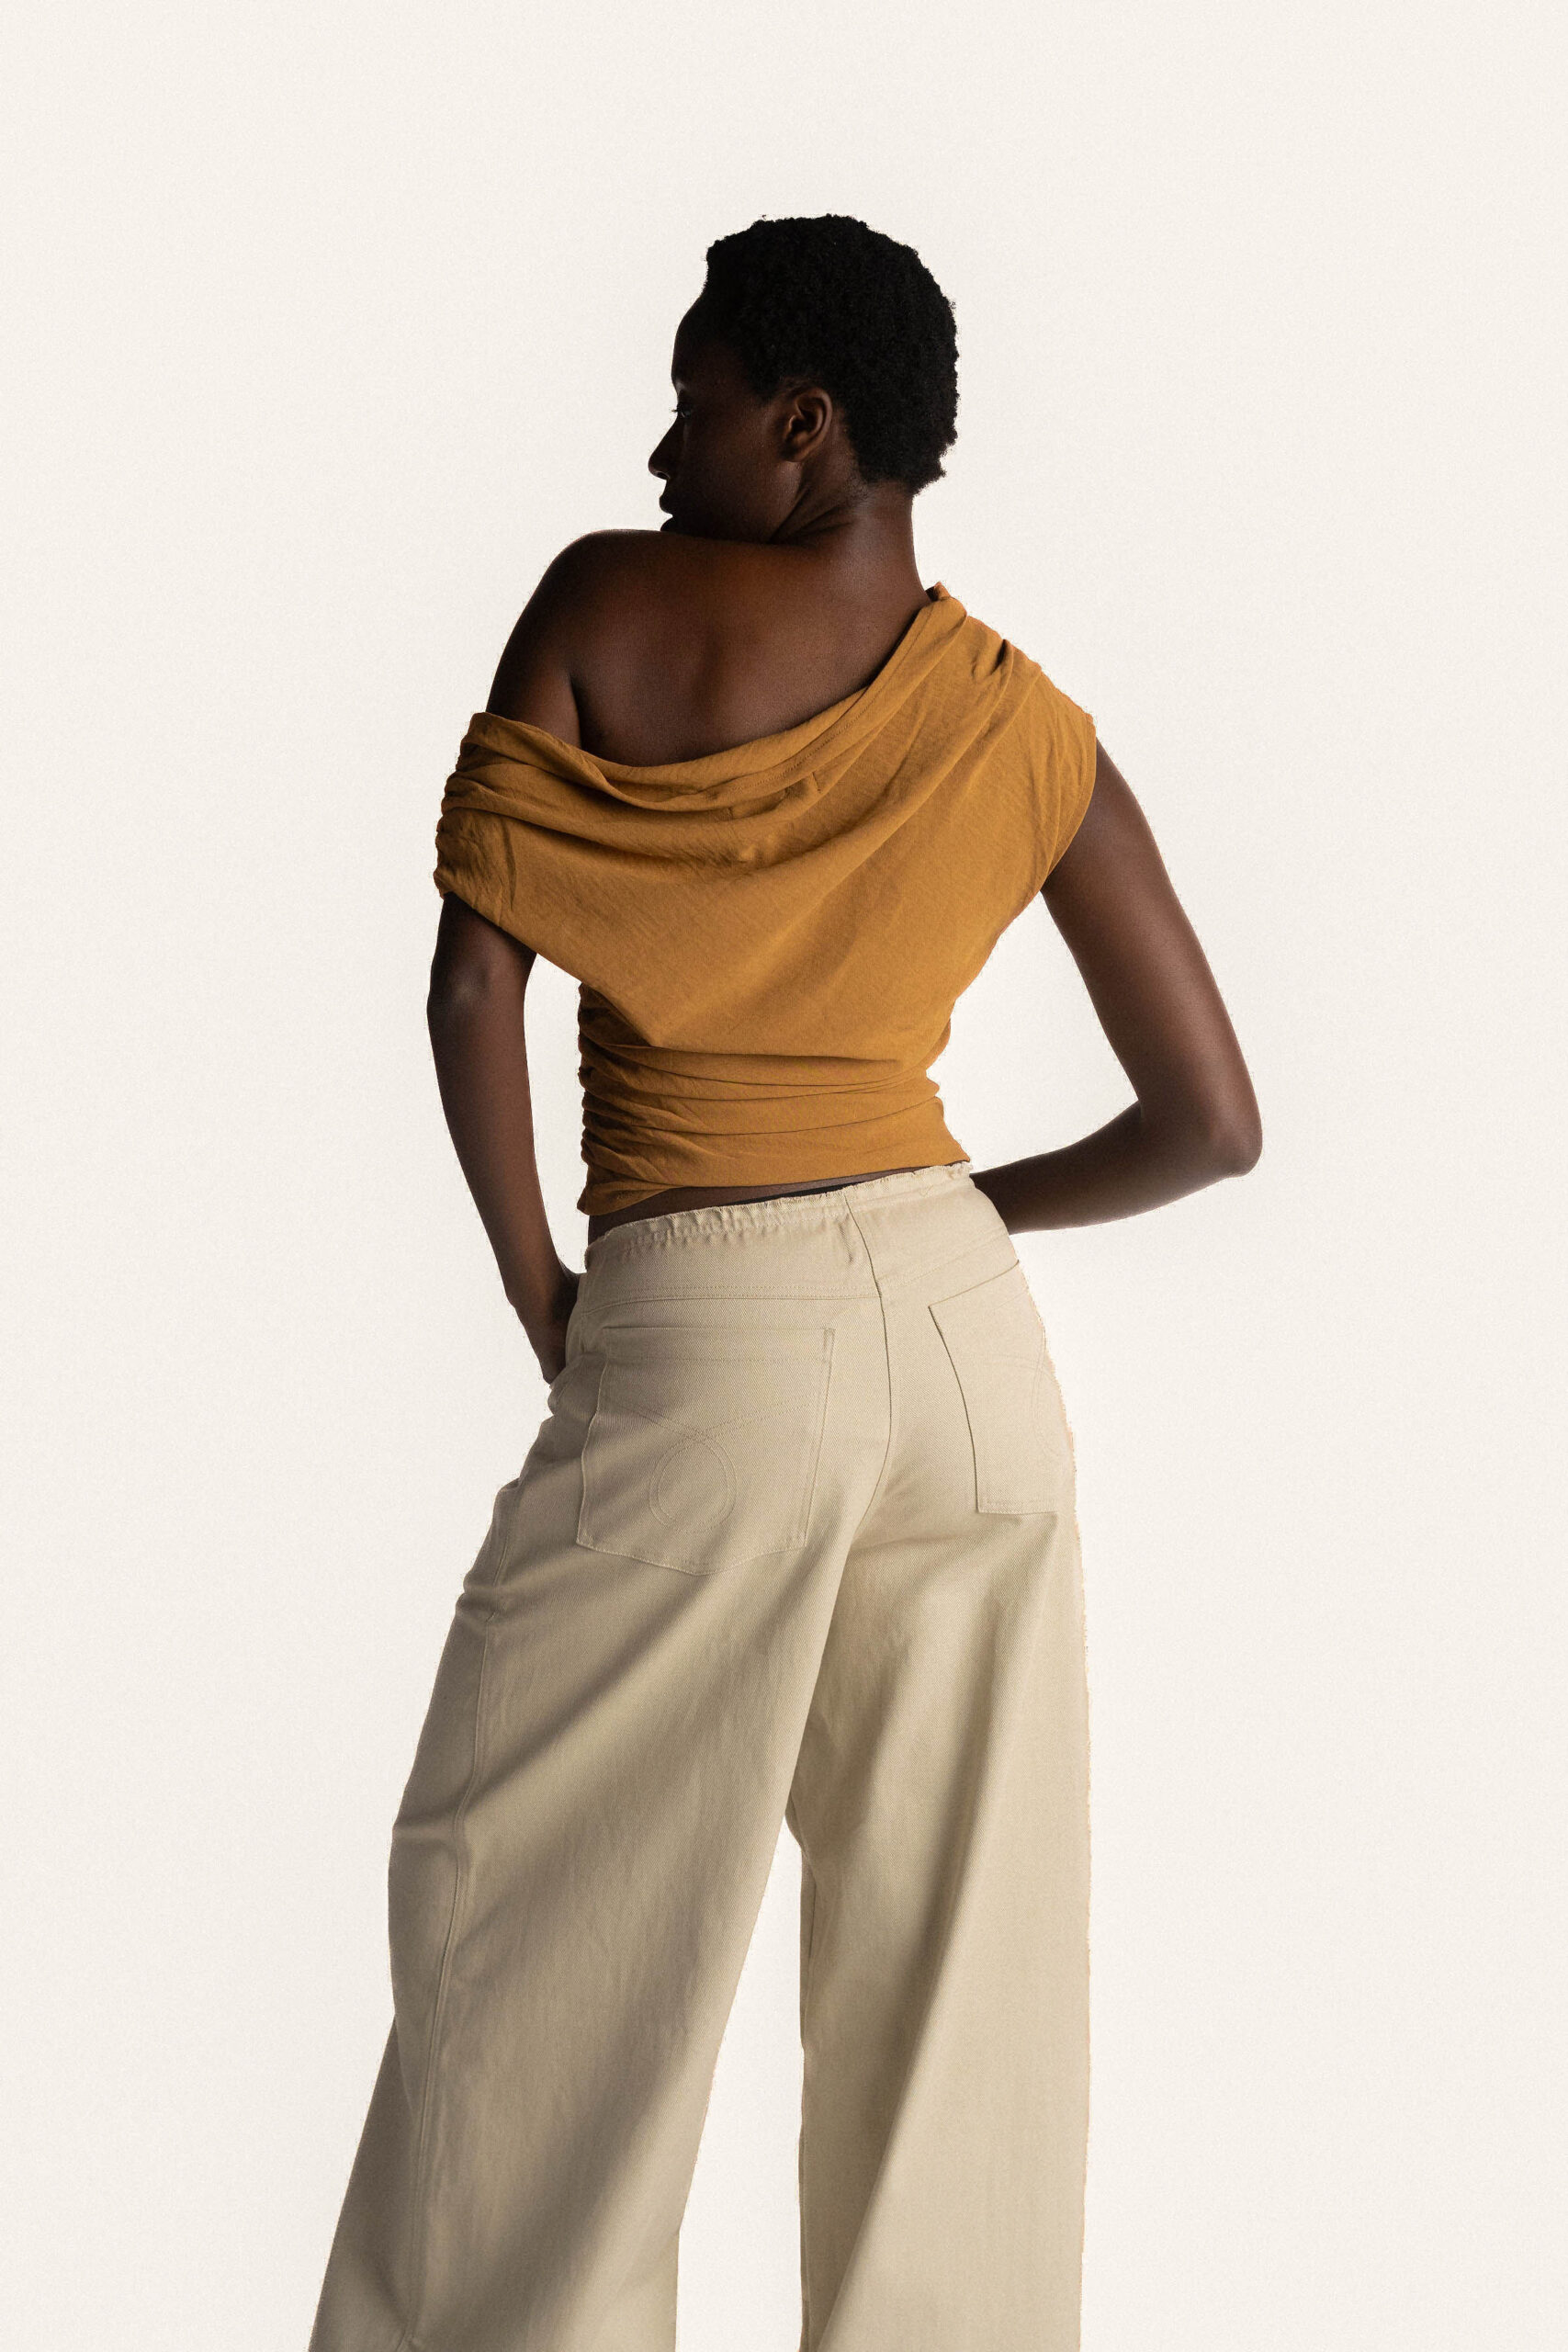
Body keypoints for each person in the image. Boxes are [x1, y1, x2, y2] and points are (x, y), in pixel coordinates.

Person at [308, 214, 1260, 2352]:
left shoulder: (606, 605)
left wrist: (540, 1288)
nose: (665, 448)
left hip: (705, 1327)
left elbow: (470, 983)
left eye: (697, 401)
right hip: (968, 1362)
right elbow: (1211, 1119)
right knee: (965, 1990)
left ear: (803, 424)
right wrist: (950, 1219)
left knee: (534, 1916)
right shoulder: (1021, 722)